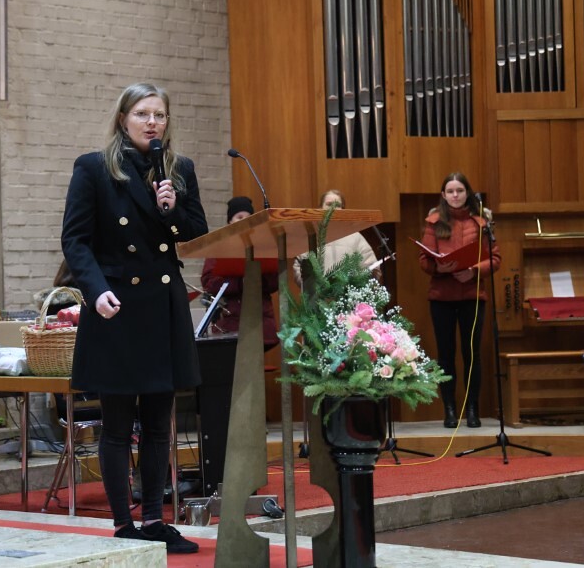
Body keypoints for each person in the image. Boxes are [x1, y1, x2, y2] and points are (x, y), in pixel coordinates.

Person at [61, 82, 207, 553]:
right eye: (143, 113)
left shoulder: (179, 170)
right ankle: (124, 525)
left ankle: (155, 520)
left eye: (159, 115)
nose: (152, 122)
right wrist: (95, 289)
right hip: (117, 305)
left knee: (160, 422)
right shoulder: (94, 168)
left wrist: (171, 210)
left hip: (162, 305)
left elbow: (196, 235)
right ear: (123, 118)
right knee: (119, 424)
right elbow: (75, 240)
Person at [418, 172, 501, 429]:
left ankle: (472, 409)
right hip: (441, 297)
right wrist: (439, 267)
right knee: (446, 355)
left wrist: (474, 271)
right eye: (451, 191)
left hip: (471, 296)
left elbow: (495, 259)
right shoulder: (433, 222)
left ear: (467, 193)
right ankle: (450, 410)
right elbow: (424, 260)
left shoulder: (481, 223)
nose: (455, 195)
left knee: (471, 354)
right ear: (443, 195)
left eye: (460, 190)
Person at [200, 196, 279, 348]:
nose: (244, 221)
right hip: (231, 321)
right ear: (230, 221)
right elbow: (208, 282)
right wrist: (240, 283)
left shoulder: (262, 246)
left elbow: (275, 280)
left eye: (249, 217)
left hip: (260, 321)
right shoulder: (220, 247)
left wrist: (257, 280)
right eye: (239, 217)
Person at [293, 189, 381, 285]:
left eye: (337, 205)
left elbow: (371, 267)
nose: (333, 208)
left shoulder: (355, 237)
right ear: (321, 208)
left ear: (343, 209)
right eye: (329, 204)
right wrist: (314, 286)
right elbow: (299, 268)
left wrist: (355, 284)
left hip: (349, 293)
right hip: (317, 293)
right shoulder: (310, 237)